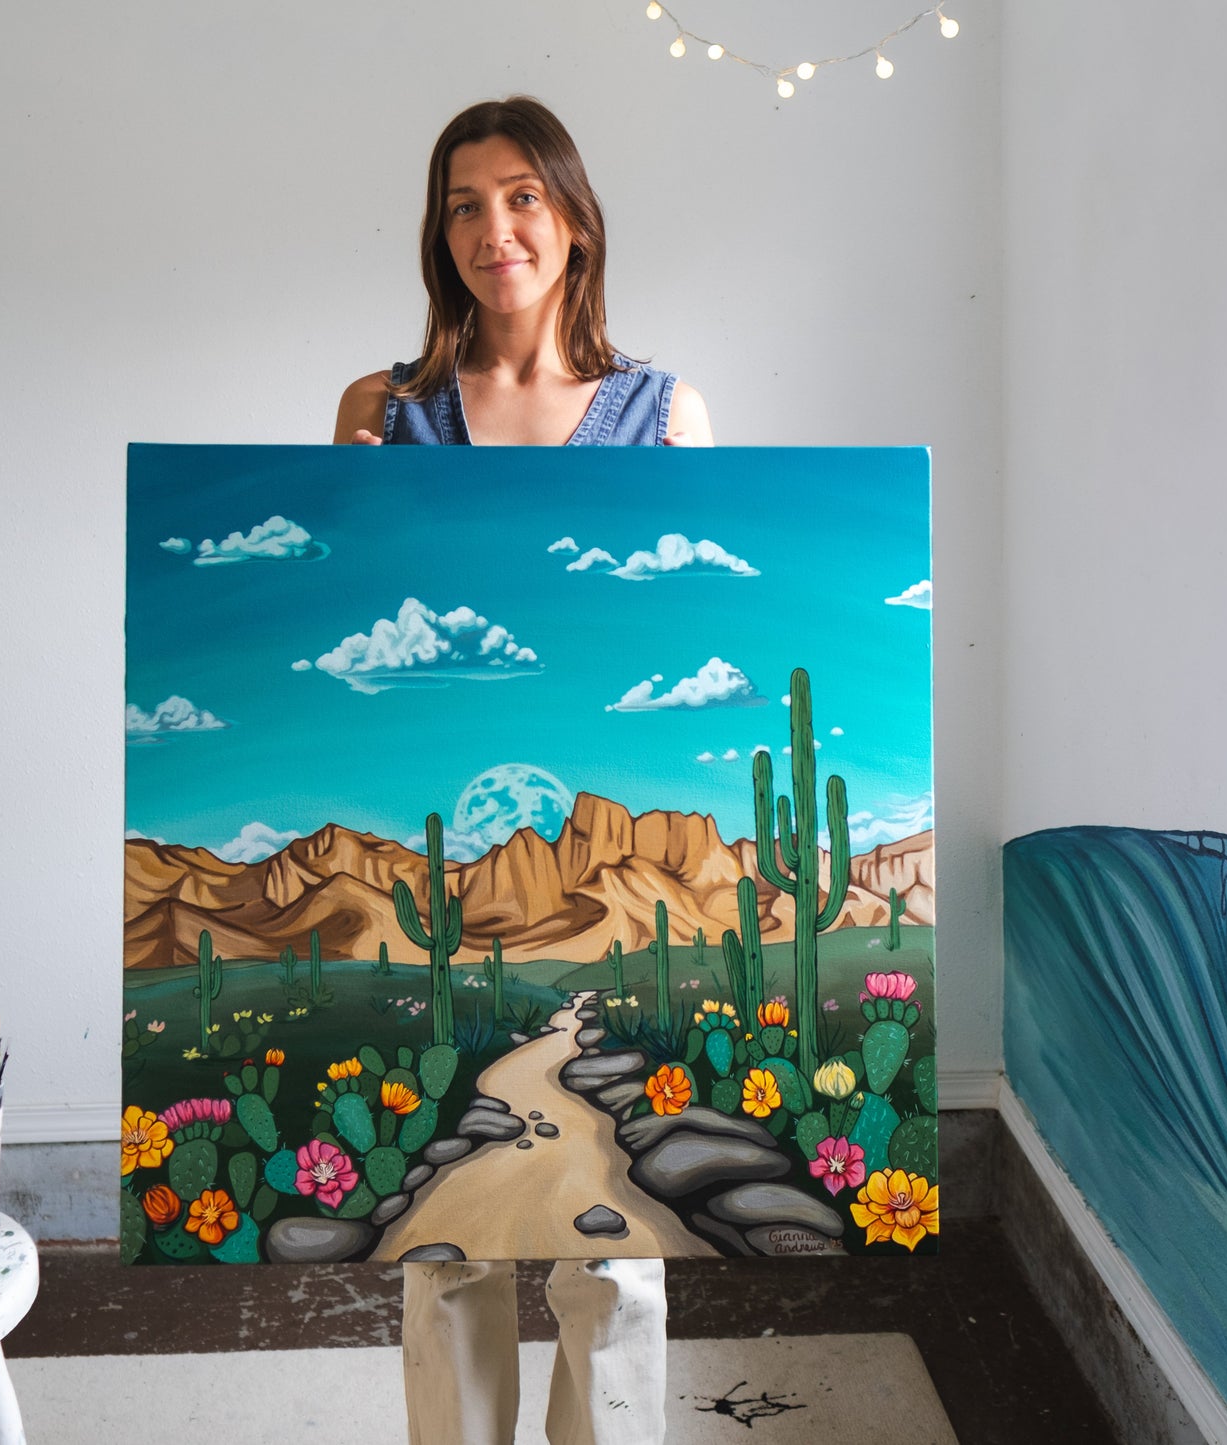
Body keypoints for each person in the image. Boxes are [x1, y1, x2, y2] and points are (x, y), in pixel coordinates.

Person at [334, 95, 712, 1445]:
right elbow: (338, 649)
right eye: (463, 204)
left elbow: (700, 633)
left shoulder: (664, 415)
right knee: (445, 1247)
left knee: (616, 1255)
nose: (493, 228)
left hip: (620, 851)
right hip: (435, 841)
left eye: (521, 197)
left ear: (573, 220)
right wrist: (347, 505)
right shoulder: (384, 411)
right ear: (439, 235)